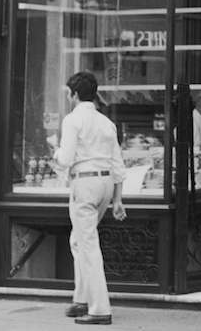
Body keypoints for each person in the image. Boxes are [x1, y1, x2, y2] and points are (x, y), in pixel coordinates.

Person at [50, 71, 127, 326]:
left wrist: (55, 152)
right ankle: (81, 298)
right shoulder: (107, 122)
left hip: (85, 182)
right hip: (106, 184)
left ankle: (99, 308)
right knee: (79, 240)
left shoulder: (72, 120)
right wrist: (118, 199)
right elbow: (117, 163)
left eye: (68, 94)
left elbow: (66, 158)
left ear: (73, 94)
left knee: (88, 246)